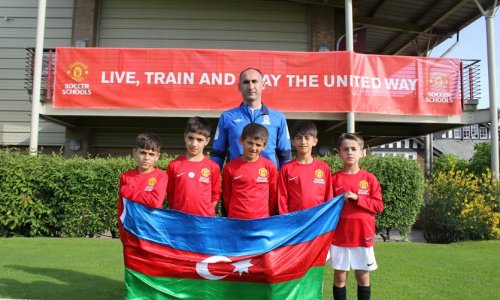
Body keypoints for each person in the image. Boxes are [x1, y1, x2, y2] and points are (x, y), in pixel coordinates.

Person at [330, 133, 384, 300]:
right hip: (339, 237)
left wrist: (357, 198)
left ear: (362, 152)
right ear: (339, 153)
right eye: (345, 149)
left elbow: (378, 206)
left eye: (354, 149)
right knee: (340, 278)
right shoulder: (333, 179)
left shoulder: (369, 179)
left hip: (362, 236)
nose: (350, 152)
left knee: (362, 276)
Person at [211, 67, 292, 170]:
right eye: (246, 82)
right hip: (237, 179)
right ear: (239, 87)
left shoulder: (278, 117)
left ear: (263, 85)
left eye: (254, 81)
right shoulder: (227, 117)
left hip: (268, 181)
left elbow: (285, 155)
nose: (250, 86)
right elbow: (218, 154)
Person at [166, 116, 221, 216]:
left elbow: (215, 196)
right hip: (179, 220)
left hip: (203, 222)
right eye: (190, 138)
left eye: (199, 140)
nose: (194, 144)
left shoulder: (213, 167)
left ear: (207, 141)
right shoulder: (174, 165)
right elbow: (170, 195)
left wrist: (208, 215)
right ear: (185, 137)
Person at [222, 123, 278, 219]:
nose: (253, 148)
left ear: (264, 146)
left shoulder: (269, 166)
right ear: (241, 140)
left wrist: (267, 215)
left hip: (261, 220)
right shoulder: (230, 167)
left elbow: (274, 196)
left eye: (258, 145)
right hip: (236, 220)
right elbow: (226, 197)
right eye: (250, 143)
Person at [117, 132, 168, 238]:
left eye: (151, 154)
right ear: (135, 152)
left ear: (157, 156)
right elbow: (122, 207)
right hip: (131, 230)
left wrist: (130, 192)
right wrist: (122, 229)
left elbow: (155, 202)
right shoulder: (126, 177)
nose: (146, 158)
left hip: (152, 230)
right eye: (143, 153)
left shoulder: (161, 176)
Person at [277, 121, 333, 214]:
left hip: (317, 219)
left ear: (314, 141)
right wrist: (286, 221)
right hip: (295, 221)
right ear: (293, 142)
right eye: (299, 138)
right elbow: (282, 198)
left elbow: (329, 197)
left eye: (307, 138)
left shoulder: (323, 167)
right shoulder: (286, 168)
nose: (303, 142)